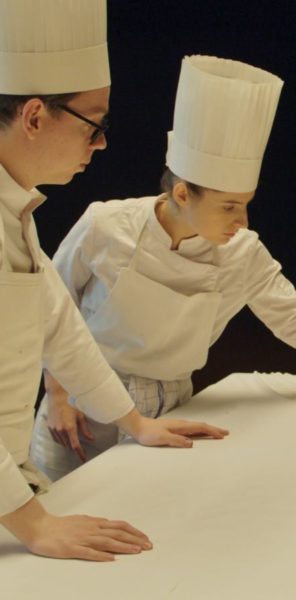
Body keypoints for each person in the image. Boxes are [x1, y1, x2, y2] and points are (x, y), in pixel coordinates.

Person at [30, 54, 296, 481]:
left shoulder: (242, 252)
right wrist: (57, 394)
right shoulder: (105, 225)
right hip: (82, 409)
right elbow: (48, 308)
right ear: (182, 194)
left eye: (245, 205)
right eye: (228, 207)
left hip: (172, 406)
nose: (241, 221)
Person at [0, 0, 228, 562]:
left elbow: (64, 333)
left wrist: (134, 422)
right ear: (35, 117)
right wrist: (35, 526)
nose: (101, 144)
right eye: (94, 125)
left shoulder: (17, 213)